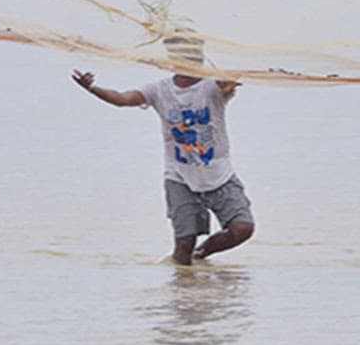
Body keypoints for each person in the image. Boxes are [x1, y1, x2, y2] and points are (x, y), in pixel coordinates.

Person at [71, 36, 254, 266]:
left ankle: (201, 255)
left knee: (242, 228)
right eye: (184, 56)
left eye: (195, 55)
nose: (191, 60)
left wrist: (229, 84)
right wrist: (92, 88)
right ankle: (182, 287)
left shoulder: (212, 86)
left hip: (219, 174)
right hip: (179, 176)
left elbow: (227, 86)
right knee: (184, 243)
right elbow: (121, 99)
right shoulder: (158, 90)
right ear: (173, 60)